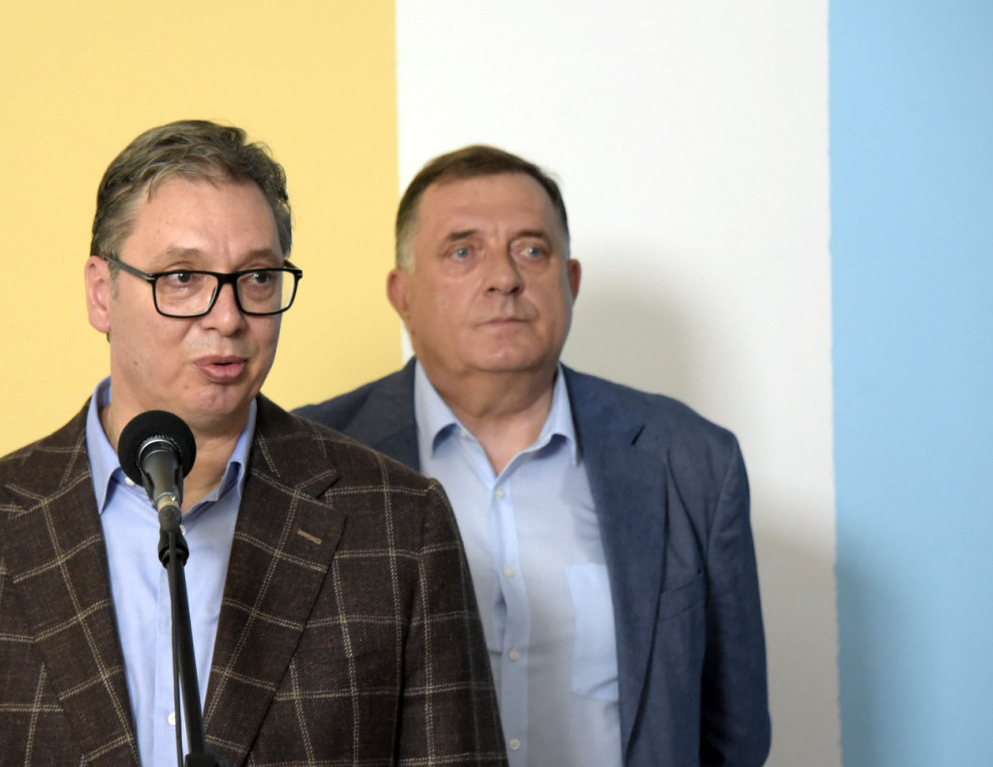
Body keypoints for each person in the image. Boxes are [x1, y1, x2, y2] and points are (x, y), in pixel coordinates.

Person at [0, 121, 507, 767]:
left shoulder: (399, 523)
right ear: (101, 293)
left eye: (258, 277)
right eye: (182, 277)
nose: (227, 316)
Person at [297, 145, 770, 767]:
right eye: (463, 251)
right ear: (402, 294)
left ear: (571, 283)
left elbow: (735, 734)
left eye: (531, 250)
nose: (504, 278)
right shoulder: (309, 461)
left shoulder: (690, 460)